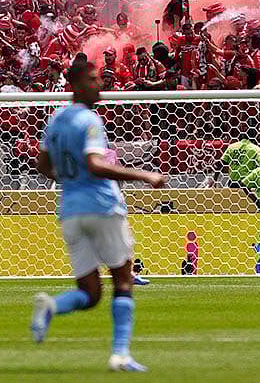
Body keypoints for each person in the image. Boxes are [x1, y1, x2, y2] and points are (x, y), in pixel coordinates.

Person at [30, 58, 167, 373]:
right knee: (123, 280)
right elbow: (95, 164)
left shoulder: (55, 120)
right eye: (93, 79)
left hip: (70, 212)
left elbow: (41, 165)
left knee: (90, 294)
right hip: (102, 207)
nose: (99, 84)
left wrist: (69, 180)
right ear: (77, 86)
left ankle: (51, 307)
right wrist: (144, 175)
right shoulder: (89, 120)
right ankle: (120, 354)